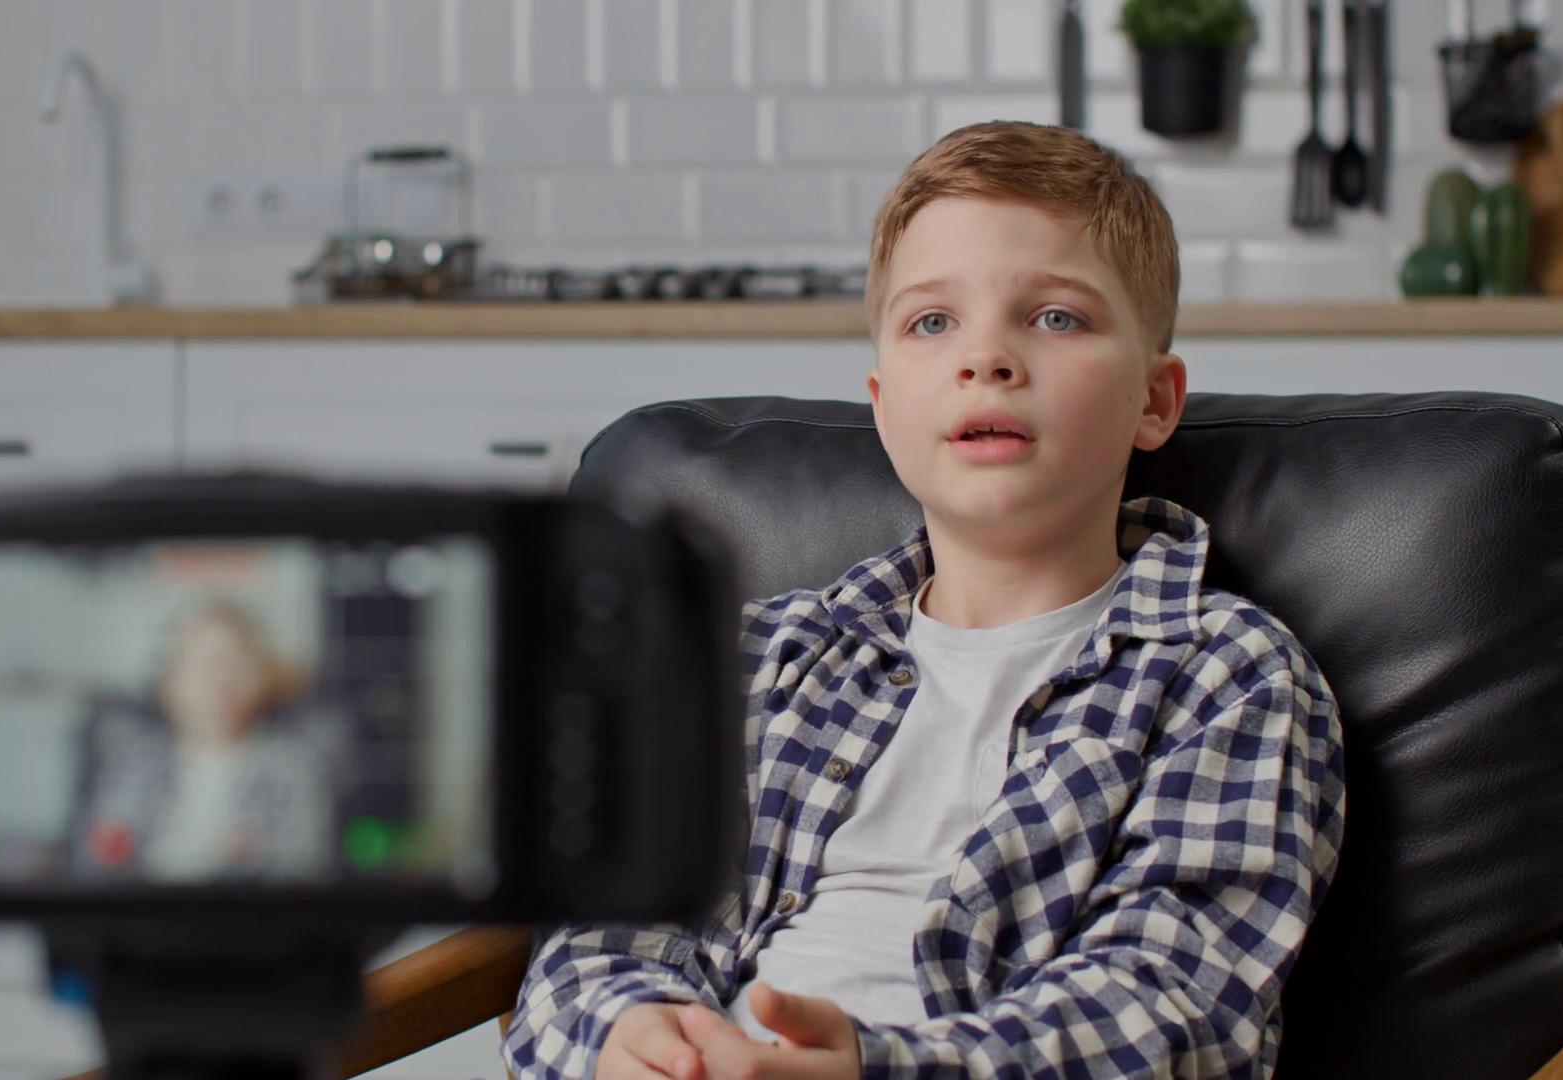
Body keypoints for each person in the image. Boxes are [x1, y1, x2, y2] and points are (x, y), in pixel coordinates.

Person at [503, 121, 1347, 1079]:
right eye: (932, 322)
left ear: (1154, 401)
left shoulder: (1230, 679)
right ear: (882, 402)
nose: (985, 356)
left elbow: (1169, 1010)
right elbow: (600, 937)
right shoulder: (752, 661)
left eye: (1055, 317)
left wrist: (880, 1068)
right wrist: (622, 1038)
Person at [69, 597, 348, 882]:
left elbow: (305, 867)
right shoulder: (135, 764)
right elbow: (97, 861)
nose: (218, 679)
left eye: (235, 663)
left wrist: (248, 863)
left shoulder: (293, 768)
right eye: (202, 663)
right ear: (169, 679)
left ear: (261, 678)